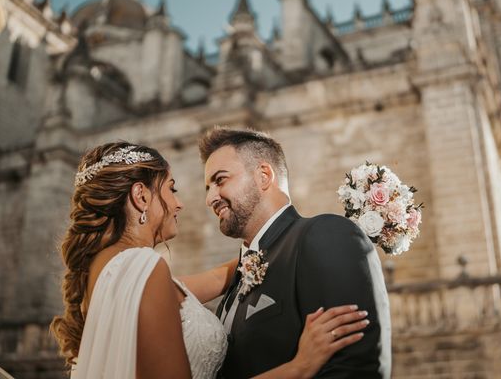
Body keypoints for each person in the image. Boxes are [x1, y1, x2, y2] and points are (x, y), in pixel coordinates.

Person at [50, 141, 369, 379]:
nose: (180, 204)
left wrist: (299, 238)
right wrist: (300, 367)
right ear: (141, 196)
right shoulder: (145, 268)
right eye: (171, 189)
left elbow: (220, 276)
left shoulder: (107, 270)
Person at [201, 127, 392, 379]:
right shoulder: (233, 283)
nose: (210, 198)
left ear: (264, 175)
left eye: (220, 180)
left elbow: (355, 368)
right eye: (207, 187)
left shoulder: (323, 235)